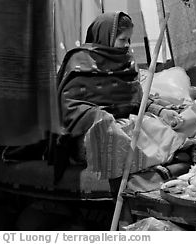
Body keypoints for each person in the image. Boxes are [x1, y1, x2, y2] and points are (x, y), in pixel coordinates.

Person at [55, 11, 186, 180]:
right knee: (117, 139)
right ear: (105, 37)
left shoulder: (125, 61)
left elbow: (136, 98)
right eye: (122, 39)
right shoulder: (80, 60)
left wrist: (161, 111)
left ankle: (165, 154)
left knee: (159, 127)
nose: (127, 45)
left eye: (129, 40)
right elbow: (68, 105)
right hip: (89, 133)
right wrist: (98, 116)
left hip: (122, 124)